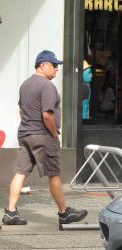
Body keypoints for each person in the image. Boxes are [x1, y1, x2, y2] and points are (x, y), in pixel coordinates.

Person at [3, 50, 87, 226]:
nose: (57, 69)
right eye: (54, 65)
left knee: (21, 172)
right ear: (43, 65)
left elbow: (21, 110)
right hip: (43, 135)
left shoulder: (25, 85)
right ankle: (64, 212)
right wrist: (54, 133)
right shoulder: (47, 86)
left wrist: (29, 123)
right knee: (54, 174)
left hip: (26, 134)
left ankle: (10, 212)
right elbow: (47, 115)